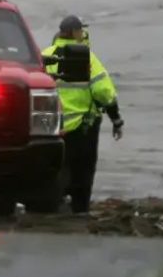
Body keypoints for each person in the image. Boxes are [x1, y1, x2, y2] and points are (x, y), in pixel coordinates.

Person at [41, 15, 123, 214]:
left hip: (49, 127)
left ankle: (49, 206)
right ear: (76, 33)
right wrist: (116, 119)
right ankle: (80, 209)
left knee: (52, 170)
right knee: (83, 173)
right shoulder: (88, 59)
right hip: (83, 128)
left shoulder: (44, 56)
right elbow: (104, 92)